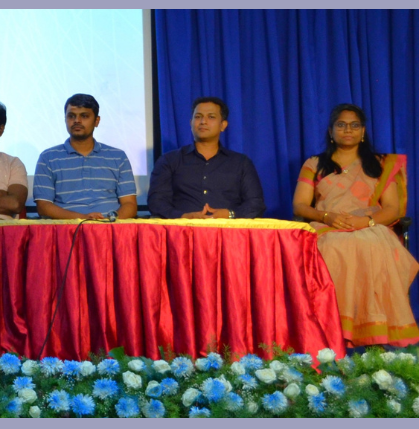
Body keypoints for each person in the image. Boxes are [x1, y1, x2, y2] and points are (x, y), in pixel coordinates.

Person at [292, 104, 419, 348]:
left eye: (354, 125)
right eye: (341, 125)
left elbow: (392, 208)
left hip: (370, 227)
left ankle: (374, 335)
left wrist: (366, 222)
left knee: (371, 244)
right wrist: (326, 216)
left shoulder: (379, 164)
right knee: (333, 246)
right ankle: (330, 332)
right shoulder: (315, 163)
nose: (347, 130)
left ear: (363, 132)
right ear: (331, 131)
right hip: (328, 226)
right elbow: (299, 206)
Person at [147, 96, 265, 219]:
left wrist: (229, 214)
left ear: (223, 125)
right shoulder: (169, 160)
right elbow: (157, 202)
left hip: (228, 229)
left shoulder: (241, 163)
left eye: (211, 117)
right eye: (198, 117)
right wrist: (184, 216)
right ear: (191, 123)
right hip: (183, 228)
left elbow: (256, 204)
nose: (203, 121)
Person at [34, 94, 138, 220]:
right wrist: (84, 219)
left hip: (111, 226)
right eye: (71, 116)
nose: (77, 121)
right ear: (65, 119)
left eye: (84, 116)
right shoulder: (48, 158)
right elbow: (44, 207)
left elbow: (129, 204)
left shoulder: (118, 157)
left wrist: (106, 223)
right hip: (67, 228)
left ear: (97, 121)